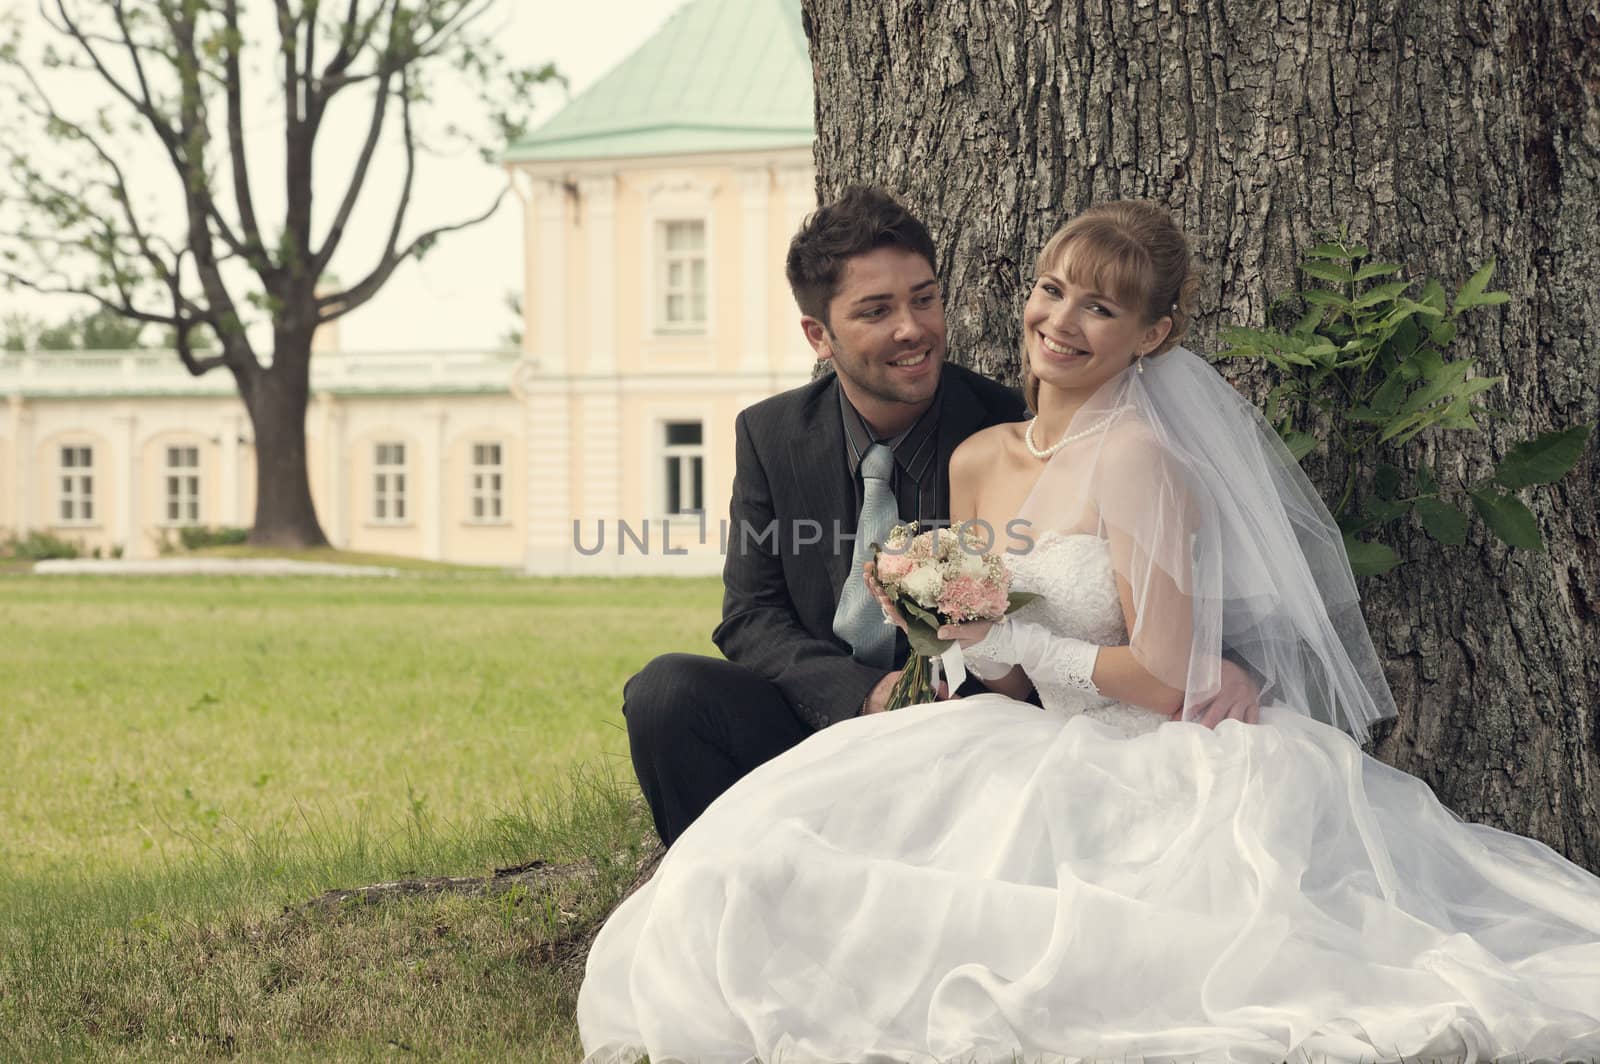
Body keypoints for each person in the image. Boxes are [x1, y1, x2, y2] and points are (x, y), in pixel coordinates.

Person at [578, 201, 1600, 1062]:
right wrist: (948, 624)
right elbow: (792, 622)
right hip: (972, 714)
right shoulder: (970, 453)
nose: (1060, 321)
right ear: (821, 333)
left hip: (1116, 740)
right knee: (730, 812)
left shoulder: (1135, 454)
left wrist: (1015, 638)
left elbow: (1137, 660)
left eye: (1099, 306)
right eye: (1052, 292)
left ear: (1150, 334)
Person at [622, 185, 1260, 847]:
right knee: (667, 693)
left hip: (957, 734)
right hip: (820, 711)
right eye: (877, 311)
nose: (911, 328)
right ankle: (720, 887)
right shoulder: (770, 434)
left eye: (923, 299)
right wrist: (861, 694)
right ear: (820, 335)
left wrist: (1222, 667)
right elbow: (750, 615)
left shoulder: (1009, 422)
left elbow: (1138, 584)